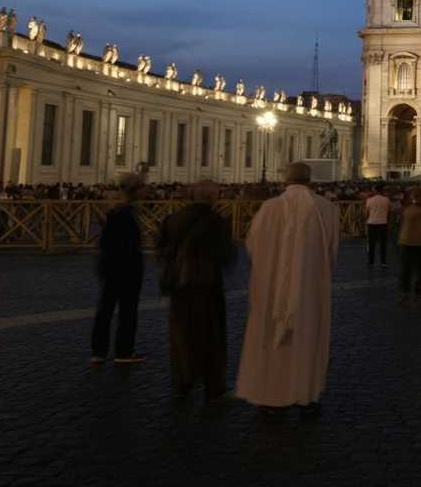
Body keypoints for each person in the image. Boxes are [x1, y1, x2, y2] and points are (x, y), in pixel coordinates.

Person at [236, 162, 340, 415]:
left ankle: (269, 396)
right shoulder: (327, 209)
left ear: (285, 181)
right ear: (310, 180)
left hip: (270, 289)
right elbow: (332, 251)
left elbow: (252, 244)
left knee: (270, 340)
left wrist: (274, 267)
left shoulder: (269, 208)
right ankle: (306, 393)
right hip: (311, 289)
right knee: (307, 337)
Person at [157, 180, 236, 400]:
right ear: (212, 198)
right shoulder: (216, 221)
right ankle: (214, 386)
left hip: (180, 286)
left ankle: (183, 381)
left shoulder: (172, 219)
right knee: (211, 335)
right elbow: (226, 255)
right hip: (207, 285)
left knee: (181, 333)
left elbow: (160, 248)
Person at [91, 173, 147, 366]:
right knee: (127, 311)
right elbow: (127, 244)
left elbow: (106, 242)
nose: (145, 191)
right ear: (135, 190)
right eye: (142, 187)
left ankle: (98, 351)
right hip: (126, 269)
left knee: (105, 309)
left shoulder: (115, 211)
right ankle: (124, 351)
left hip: (111, 267)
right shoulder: (125, 213)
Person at [398, 190, 421, 297]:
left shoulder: (409, 209)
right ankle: (417, 290)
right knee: (417, 268)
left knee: (409, 268)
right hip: (414, 242)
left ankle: (408, 290)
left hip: (411, 242)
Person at [364, 185, 390, 269]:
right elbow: (389, 211)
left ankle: (371, 262)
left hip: (371, 223)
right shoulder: (386, 200)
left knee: (372, 244)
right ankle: (383, 262)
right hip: (383, 223)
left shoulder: (369, 200)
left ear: (374, 191)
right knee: (383, 244)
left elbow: (366, 213)